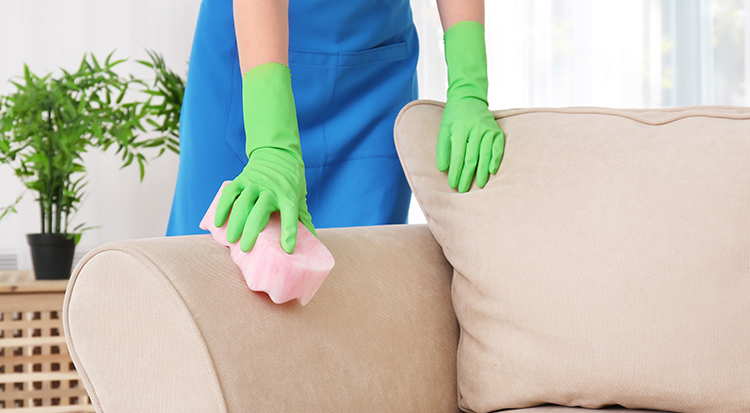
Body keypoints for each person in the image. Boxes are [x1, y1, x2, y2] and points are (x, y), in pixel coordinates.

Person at [166, 0, 505, 254]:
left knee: (358, 280)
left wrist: (468, 86)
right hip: (250, 64)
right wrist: (271, 144)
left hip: (372, 73)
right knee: (209, 275)